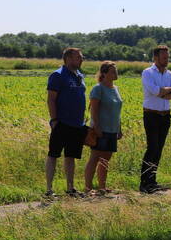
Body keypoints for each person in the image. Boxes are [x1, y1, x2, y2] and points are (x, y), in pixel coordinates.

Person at [45, 47, 87, 197]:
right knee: (53, 155)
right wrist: (55, 120)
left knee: (71, 156)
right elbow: (51, 99)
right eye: (78, 57)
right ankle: (49, 190)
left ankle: (70, 188)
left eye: (81, 57)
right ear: (68, 58)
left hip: (77, 124)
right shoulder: (58, 75)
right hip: (62, 122)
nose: (81, 59)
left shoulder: (79, 75)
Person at [140, 44, 171, 193]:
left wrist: (165, 91)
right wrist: (166, 91)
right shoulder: (148, 73)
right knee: (152, 148)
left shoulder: (169, 74)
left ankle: (152, 181)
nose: (167, 60)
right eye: (164, 57)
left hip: (165, 116)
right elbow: (155, 91)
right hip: (151, 115)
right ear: (155, 57)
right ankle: (145, 183)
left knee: (159, 149)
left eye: (168, 57)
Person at [83, 62, 124, 195]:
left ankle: (102, 187)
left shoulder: (115, 89)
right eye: (112, 71)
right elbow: (94, 110)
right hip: (100, 129)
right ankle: (88, 188)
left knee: (105, 160)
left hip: (113, 129)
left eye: (116, 71)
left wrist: (120, 128)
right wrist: (97, 127)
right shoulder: (98, 89)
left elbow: (117, 111)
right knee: (94, 157)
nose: (115, 73)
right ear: (104, 73)